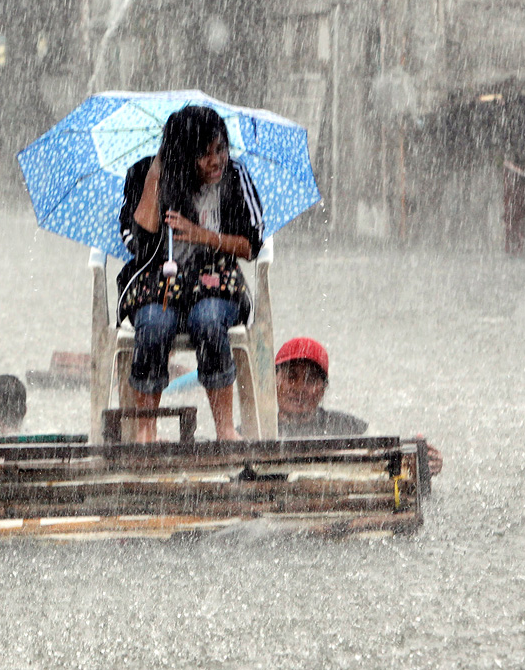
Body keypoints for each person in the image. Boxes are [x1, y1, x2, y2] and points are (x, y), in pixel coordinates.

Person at [117, 105, 264, 442]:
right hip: (159, 287)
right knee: (153, 325)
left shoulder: (235, 178)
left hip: (216, 285)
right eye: (204, 154)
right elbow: (138, 242)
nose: (216, 161)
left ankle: (225, 428)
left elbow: (250, 246)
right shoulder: (145, 175)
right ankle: (146, 427)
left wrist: (203, 236)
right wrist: (156, 177)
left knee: (208, 321)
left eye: (220, 149)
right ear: (183, 154)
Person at [275, 337, 443, 476]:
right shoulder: (259, 430)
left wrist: (421, 462)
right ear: (273, 381)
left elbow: (390, 460)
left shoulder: (351, 428)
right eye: (291, 376)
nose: (298, 388)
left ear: (323, 389)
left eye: (310, 380)